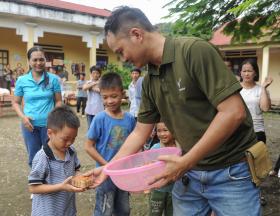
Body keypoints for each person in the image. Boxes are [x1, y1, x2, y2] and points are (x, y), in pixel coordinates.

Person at [87, 6, 261, 216]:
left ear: (136, 34)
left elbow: (233, 112)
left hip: (231, 171)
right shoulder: (149, 80)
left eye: (120, 51)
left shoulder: (193, 51)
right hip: (189, 174)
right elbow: (140, 133)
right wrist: (108, 169)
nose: (122, 59)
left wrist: (186, 162)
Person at [84, 72, 136, 216]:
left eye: (114, 96)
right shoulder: (99, 119)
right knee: (105, 210)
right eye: (105, 97)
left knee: (124, 209)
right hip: (104, 174)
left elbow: (135, 145)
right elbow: (88, 146)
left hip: (123, 174)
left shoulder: (130, 119)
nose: (110, 101)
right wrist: (106, 165)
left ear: (122, 94)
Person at [28, 105, 85, 216]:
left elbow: (76, 169)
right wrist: (61, 186)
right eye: (65, 139)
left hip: (68, 210)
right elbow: (33, 187)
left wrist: (80, 178)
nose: (69, 143)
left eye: (73, 138)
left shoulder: (71, 151)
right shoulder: (43, 157)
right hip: (47, 212)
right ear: (50, 133)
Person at [12, 46, 62, 167]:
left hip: (50, 126)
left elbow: (59, 101)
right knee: (34, 157)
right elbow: (15, 102)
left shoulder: (53, 79)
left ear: (45, 60)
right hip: (30, 126)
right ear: (29, 61)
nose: (38, 63)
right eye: (35, 60)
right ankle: (37, 183)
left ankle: (51, 181)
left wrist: (54, 116)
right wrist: (23, 117)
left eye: (41, 59)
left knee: (51, 155)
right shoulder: (22, 80)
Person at [240, 58, 273, 143]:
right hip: (239, 130)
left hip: (257, 131)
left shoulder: (261, 90)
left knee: (257, 156)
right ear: (240, 73)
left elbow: (265, 108)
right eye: (244, 71)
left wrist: (263, 88)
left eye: (250, 71)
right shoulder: (236, 89)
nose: (246, 74)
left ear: (255, 73)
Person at [149, 122, 176, 216]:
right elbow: (148, 167)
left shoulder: (178, 148)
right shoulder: (155, 148)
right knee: (155, 213)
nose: (162, 134)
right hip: (157, 191)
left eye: (165, 130)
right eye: (158, 131)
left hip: (174, 191)